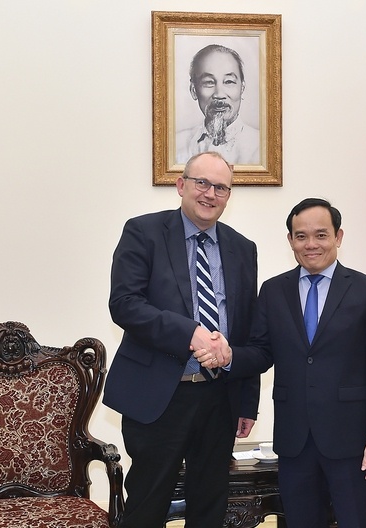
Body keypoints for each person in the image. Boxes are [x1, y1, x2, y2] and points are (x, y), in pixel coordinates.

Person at [195, 197, 366, 528]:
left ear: (338, 237)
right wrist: (229, 355)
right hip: (294, 440)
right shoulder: (273, 291)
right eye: (301, 236)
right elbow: (261, 351)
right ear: (290, 240)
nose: (311, 244)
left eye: (321, 234)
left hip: (352, 440)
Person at [103, 151, 260, 528]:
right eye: (201, 183)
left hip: (219, 398)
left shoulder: (243, 248)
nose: (210, 193)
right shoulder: (144, 231)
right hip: (159, 395)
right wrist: (187, 332)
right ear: (181, 185)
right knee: (147, 505)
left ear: (228, 195)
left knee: (210, 505)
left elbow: (246, 328)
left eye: (220, 187)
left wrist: (247, 402)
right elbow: (124, 304)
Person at [176, 44, 260, 165]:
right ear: (193, 90)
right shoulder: (177, 144)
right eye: (209, 82)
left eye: (229, 81)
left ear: (242, 88)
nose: (219, 94)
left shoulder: (260, 146)